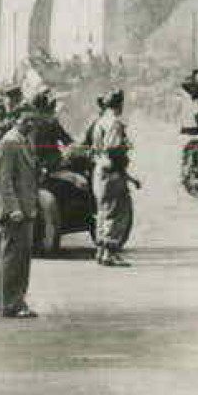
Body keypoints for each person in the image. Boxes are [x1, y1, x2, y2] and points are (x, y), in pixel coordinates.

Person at [0, 91, 47, 318]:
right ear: (14, 119)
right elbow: (2, 179)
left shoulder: (23, 140)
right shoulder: (10, 142)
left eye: (32, 119)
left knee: (13, 255)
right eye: (25, 120)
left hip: (24, 206)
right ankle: (12, 303)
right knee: (17, 257)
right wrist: (13, 208)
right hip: (16, 209)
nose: (30, 123)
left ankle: (3, 300)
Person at [87, 90, 139, 267]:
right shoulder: (115, 123)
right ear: (119, 105)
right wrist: (125, 175)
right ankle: (110, 253)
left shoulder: (100, 121)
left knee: (103, 212)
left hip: (100, 172)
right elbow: (114, 150)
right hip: (112, 173)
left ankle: (101, 251)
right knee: (117, 213)